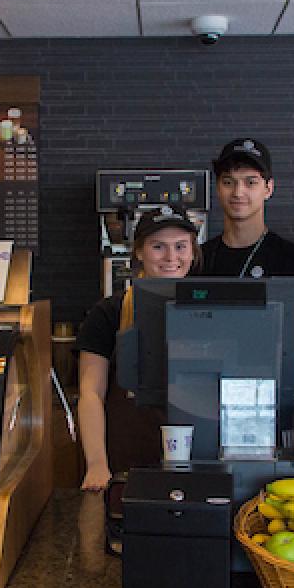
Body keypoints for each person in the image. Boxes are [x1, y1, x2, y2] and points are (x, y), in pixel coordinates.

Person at [75, 205, 200, 491]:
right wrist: (97, 464)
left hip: (198, 462)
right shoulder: (109, 313)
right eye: (158, 247)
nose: (171, 257)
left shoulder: (209, 309)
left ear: (192, 252)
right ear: (139, 252)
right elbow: (90, 393)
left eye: (181, 246)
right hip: (124, 467)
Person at [199, 138, 294, 335]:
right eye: (228, 182)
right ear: (218, 189)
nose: (238, 192)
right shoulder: (199, 258)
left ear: (268, 188)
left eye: (251, 182)